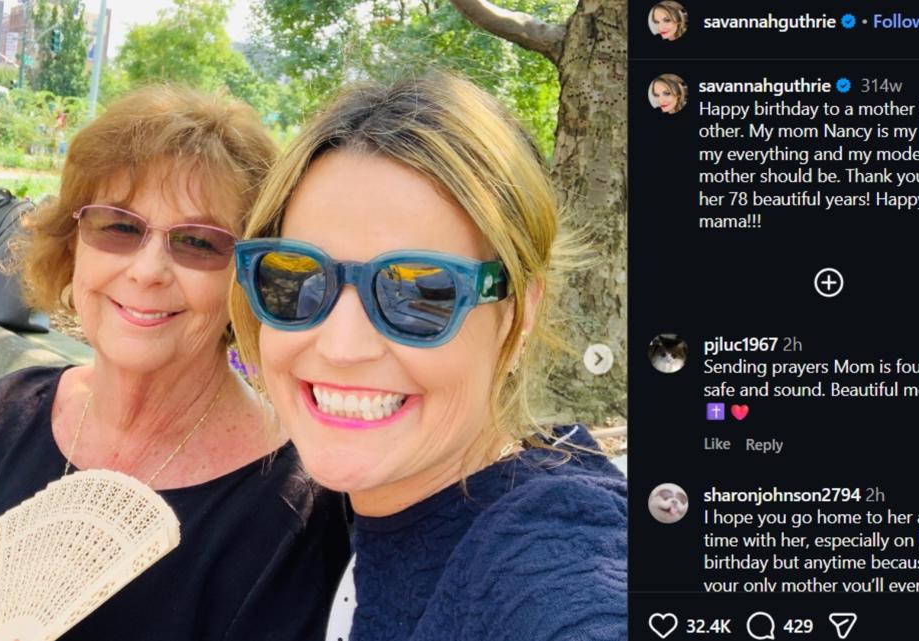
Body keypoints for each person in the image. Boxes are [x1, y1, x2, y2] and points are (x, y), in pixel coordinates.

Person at [0, 85, 349, 641]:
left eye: (200, 242)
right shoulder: (8, 410)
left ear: (248, 277)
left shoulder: (292, 513)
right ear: (73, 244)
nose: (148, 270)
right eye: (120, 227)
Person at [230, 72, 626, 641]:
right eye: (299, 278)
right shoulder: (366, 504)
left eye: (420, 293)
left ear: (520, 310)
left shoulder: (547, 557)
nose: (341, 347)